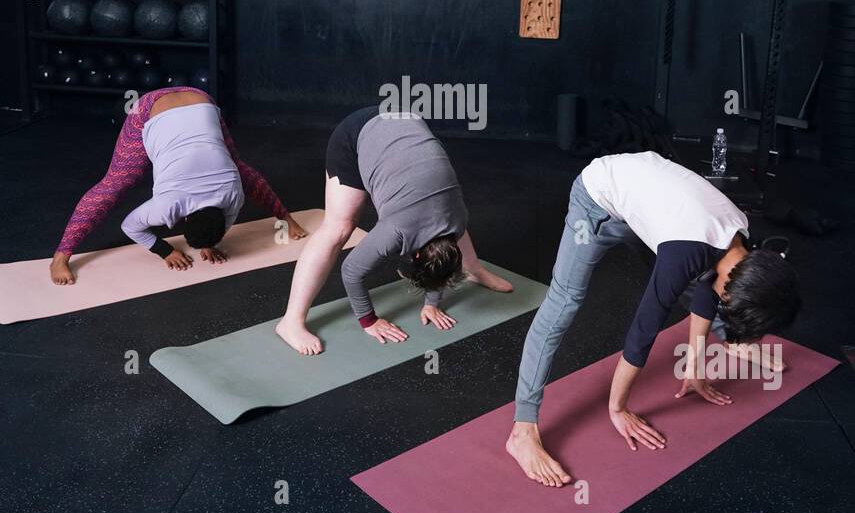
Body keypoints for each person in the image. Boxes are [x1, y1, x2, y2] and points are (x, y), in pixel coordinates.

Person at [507, 151, 801, 487]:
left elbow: (709, 284)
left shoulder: (739, 240)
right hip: (596, 201)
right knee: (564, 302)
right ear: (732, 294)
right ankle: (522, 430)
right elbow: (641, 334)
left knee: (695, 280)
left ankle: (731, 338)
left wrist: (695, 364)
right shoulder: (686, 252)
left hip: (650, 204)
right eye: (730, 304)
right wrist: (617, 408)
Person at [276, 106, 512, 355]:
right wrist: (369, 321)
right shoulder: (396, 231)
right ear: (416, 256)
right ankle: (291, 321)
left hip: (401, 122)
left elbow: (446, 246)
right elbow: (351, 272)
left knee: (451, 223)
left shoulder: (458, 217)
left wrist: (431, 304)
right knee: (339, 226)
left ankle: (472, 269)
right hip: (356, 134)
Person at [50, 87, 305, 284]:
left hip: (201, 101)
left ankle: (287, 219)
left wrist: (208, 243)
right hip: (150, 108)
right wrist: (165, 250)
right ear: (180, 218)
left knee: (239, 167)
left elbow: (227, 209)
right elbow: (130, 225)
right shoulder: (168, 206)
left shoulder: (232, 195)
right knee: (115, 183)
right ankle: (60, 257)